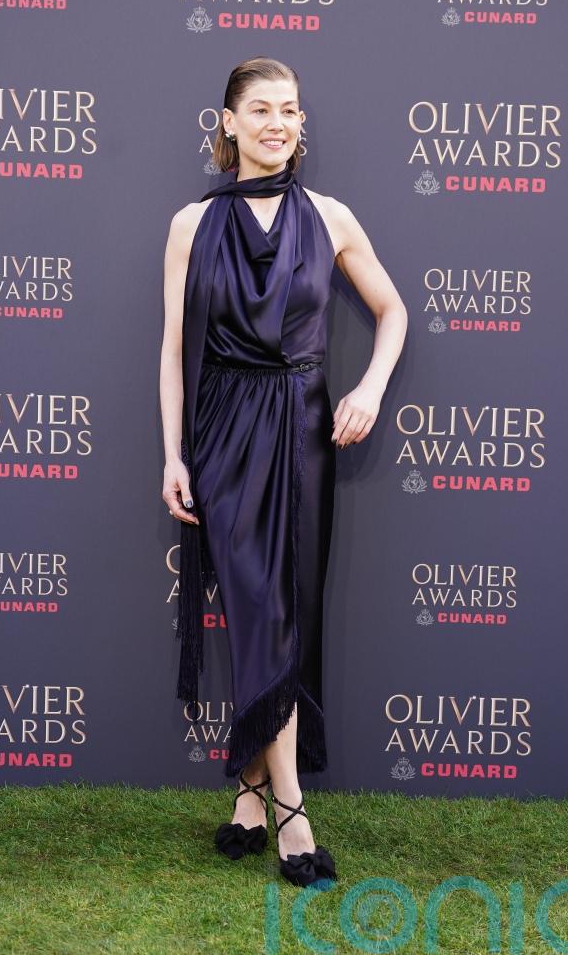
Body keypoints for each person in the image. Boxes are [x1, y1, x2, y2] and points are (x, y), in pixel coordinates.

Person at [160, 56, 407, 887]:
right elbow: (172, 351)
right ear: (227, 123)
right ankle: (292, 810)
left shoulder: (331, 217)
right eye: (260, 108)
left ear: (302, 125)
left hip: (302, 429)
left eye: (290, 109)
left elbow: (393, 310)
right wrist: (173, 453)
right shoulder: (191, 225)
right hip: (223, 433)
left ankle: (250, 791)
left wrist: (369, 387)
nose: (277, 122)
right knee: (256, 608)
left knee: (288, 611)